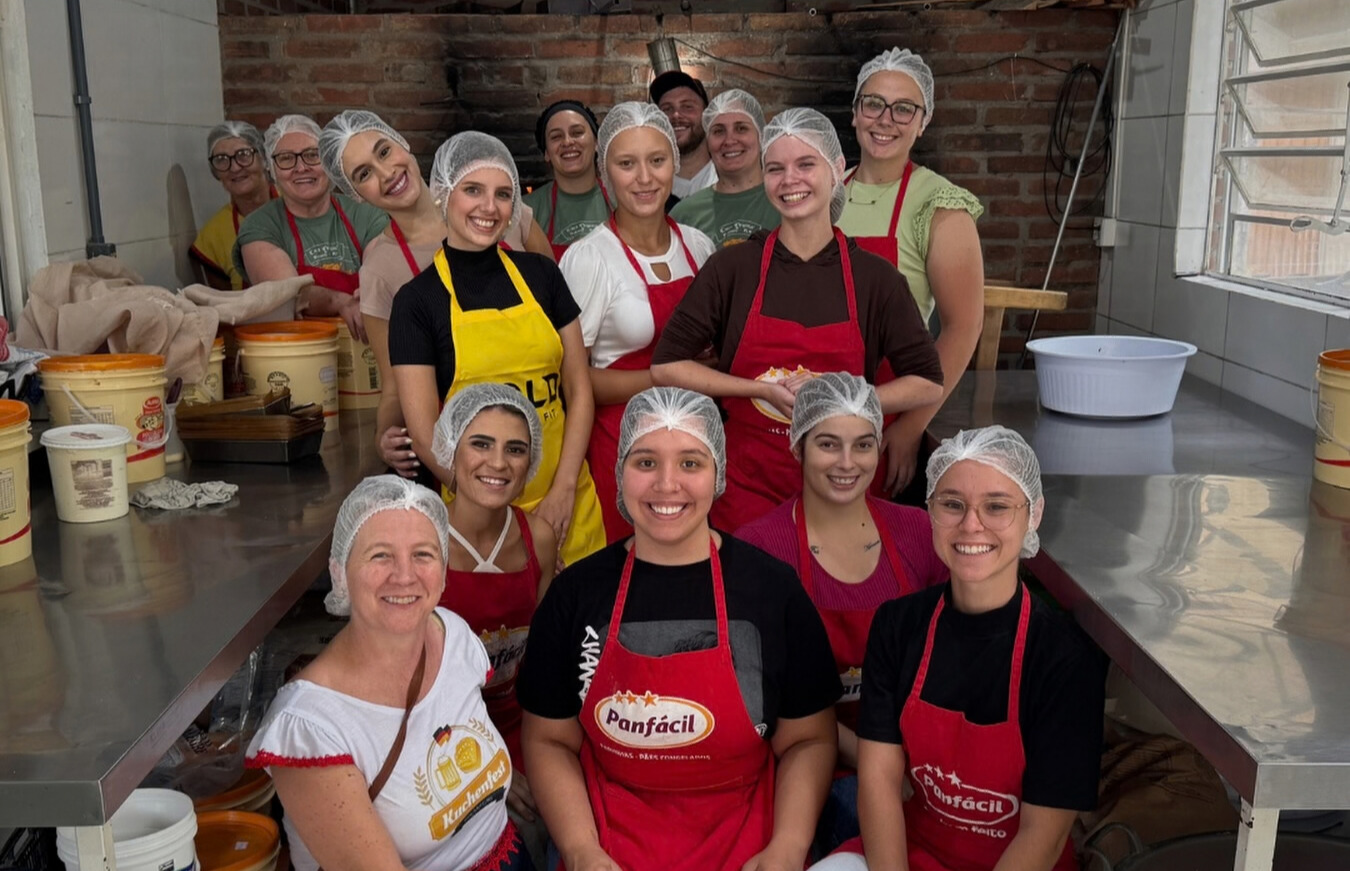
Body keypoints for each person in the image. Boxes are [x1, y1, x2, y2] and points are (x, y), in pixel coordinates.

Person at [517, 387, 841, 871]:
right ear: (620, 472)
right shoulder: (575, 595)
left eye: (690, 462)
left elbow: (808, 740)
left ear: (718, 474)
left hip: (747, 840)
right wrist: (581, 850)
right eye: (646, 462)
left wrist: (789, 847)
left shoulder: (772, 590)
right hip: (610, 841)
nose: (667, 484)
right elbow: (549, 740)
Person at [815, 426, 1107, 871]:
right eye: (952, 504)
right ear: (930, 510)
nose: (971, 525)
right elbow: (879, 782)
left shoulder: (1064, 659)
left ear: (1033, 514)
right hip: (914, 852)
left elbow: (1043, 838)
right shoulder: (898, 626)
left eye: (997, 506)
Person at [651, 108, 945, 532]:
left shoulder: (876, 279)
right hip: (748, 485)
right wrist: (758, 389)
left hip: (844, 479)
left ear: (837, 170)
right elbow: (666, 366)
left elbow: (927, 382)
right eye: (775, 169)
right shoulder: (732, 268)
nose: (790, 180)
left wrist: (839, 398)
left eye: (806, 164)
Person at [245, 476, 533, 871]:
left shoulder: (453, 635)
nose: (404, 575)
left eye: (423, 554)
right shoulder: (311, 728)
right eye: (380, 555)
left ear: (443, 571)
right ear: (340, 572)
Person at [736, 373, 948, 852]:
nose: (848, 463)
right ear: (797, 448)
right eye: (828, 444)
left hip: (918, 758)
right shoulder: (760, 549)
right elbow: (767, 702)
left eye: (863, 445)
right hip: (809, 762)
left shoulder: (919, 533)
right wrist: (878, 766)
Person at [388, 131, 605, 569]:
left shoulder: (543, 275)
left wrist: (564, 490)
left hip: (568, 505)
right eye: (473, 190)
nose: (489, 207)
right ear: (443, 194)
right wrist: (494, 508)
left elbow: (579, 390)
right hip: (479, 521)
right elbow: (426, 435)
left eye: (503, 194)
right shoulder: (417, 302)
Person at [560, 102, 715, 542]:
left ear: (674, 165)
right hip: (620, 446)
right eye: (627, 164)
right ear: (605, 172)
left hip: (693, 441)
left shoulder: (699, 247)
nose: (645, 178)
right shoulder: (590, 258)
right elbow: (573, 380)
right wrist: (669, 377)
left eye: (657, 160)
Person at [836, 48, 986, 499]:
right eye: (874, 104)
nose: (886, 119)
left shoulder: (939, 205)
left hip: (891, 409)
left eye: (904, 109)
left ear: (923, 121)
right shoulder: (827, 190)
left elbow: (963, 327)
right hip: (818, 397)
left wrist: (911, 426)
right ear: (855, 113)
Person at [431, 384, 557, 867]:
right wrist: (492, 766)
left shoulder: (537, 538)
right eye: (481, 444)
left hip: (522, 726)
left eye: (515, 449)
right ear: (451, 451)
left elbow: (543, 663)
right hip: (443, 737)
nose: (498, 463)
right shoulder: (423, 539)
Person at [233, 114, 389, 342]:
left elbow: (382, 276)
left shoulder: (365, 213)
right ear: (272, 169)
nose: (301, 167)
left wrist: (369, 296)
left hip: (368, 347)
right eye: (286, 158)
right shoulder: (260, 225)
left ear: (328, 161)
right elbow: (286, 295)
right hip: (295, 350)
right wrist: (341, 302)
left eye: (312, 155)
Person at [669, 89, 780, 246]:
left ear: (760, 135)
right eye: (719, 131)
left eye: (741, 128)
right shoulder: (684, 214)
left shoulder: (784, 200)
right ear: (708, 142)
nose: (729, 140)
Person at [523, 100, 612, 259]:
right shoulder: (526, 210)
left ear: (596, 143)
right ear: (547, 153)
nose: (567, 142)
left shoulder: (621, 198)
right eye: (556, 136)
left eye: (577, 133)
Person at [192, 121, 274, 290]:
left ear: (263, 159)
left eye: (243, 154)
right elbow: (224, 301)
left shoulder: (298, 205)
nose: (235, 167)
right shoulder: (213, 236)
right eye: (221, 160)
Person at [651, 70, 717, 201]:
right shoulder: (649, 185)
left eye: (687, 107)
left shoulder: (727, 177)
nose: (676, 115)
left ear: (707, 115)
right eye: (667, 109)